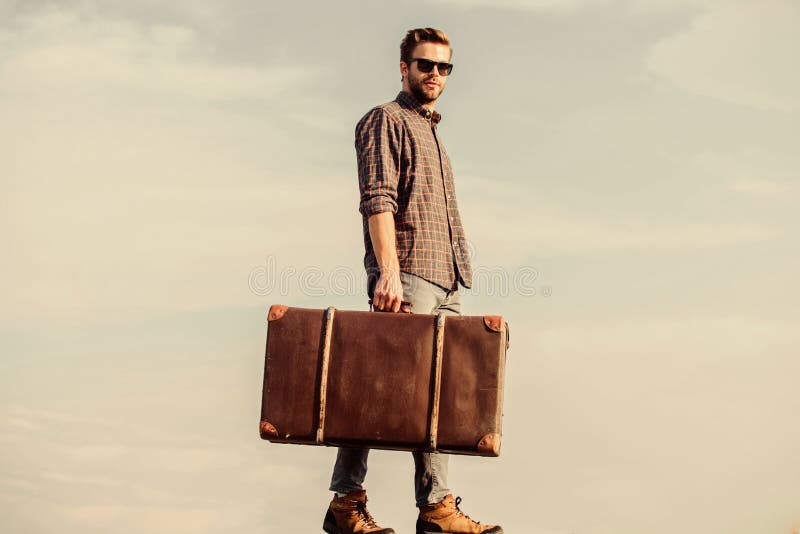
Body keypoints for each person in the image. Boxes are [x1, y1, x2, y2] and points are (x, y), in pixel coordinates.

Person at [322, 28, 503, 534]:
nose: (435, 75)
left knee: (437, 396)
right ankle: (345, 502)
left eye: (445, 67)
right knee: (375, 386)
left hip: (448, 278)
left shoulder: (432, 130)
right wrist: (388, 273)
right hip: (408, 275)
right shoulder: (386, 119)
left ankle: (436, 508)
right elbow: (377, 199)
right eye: (426, 65)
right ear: (404, 67)